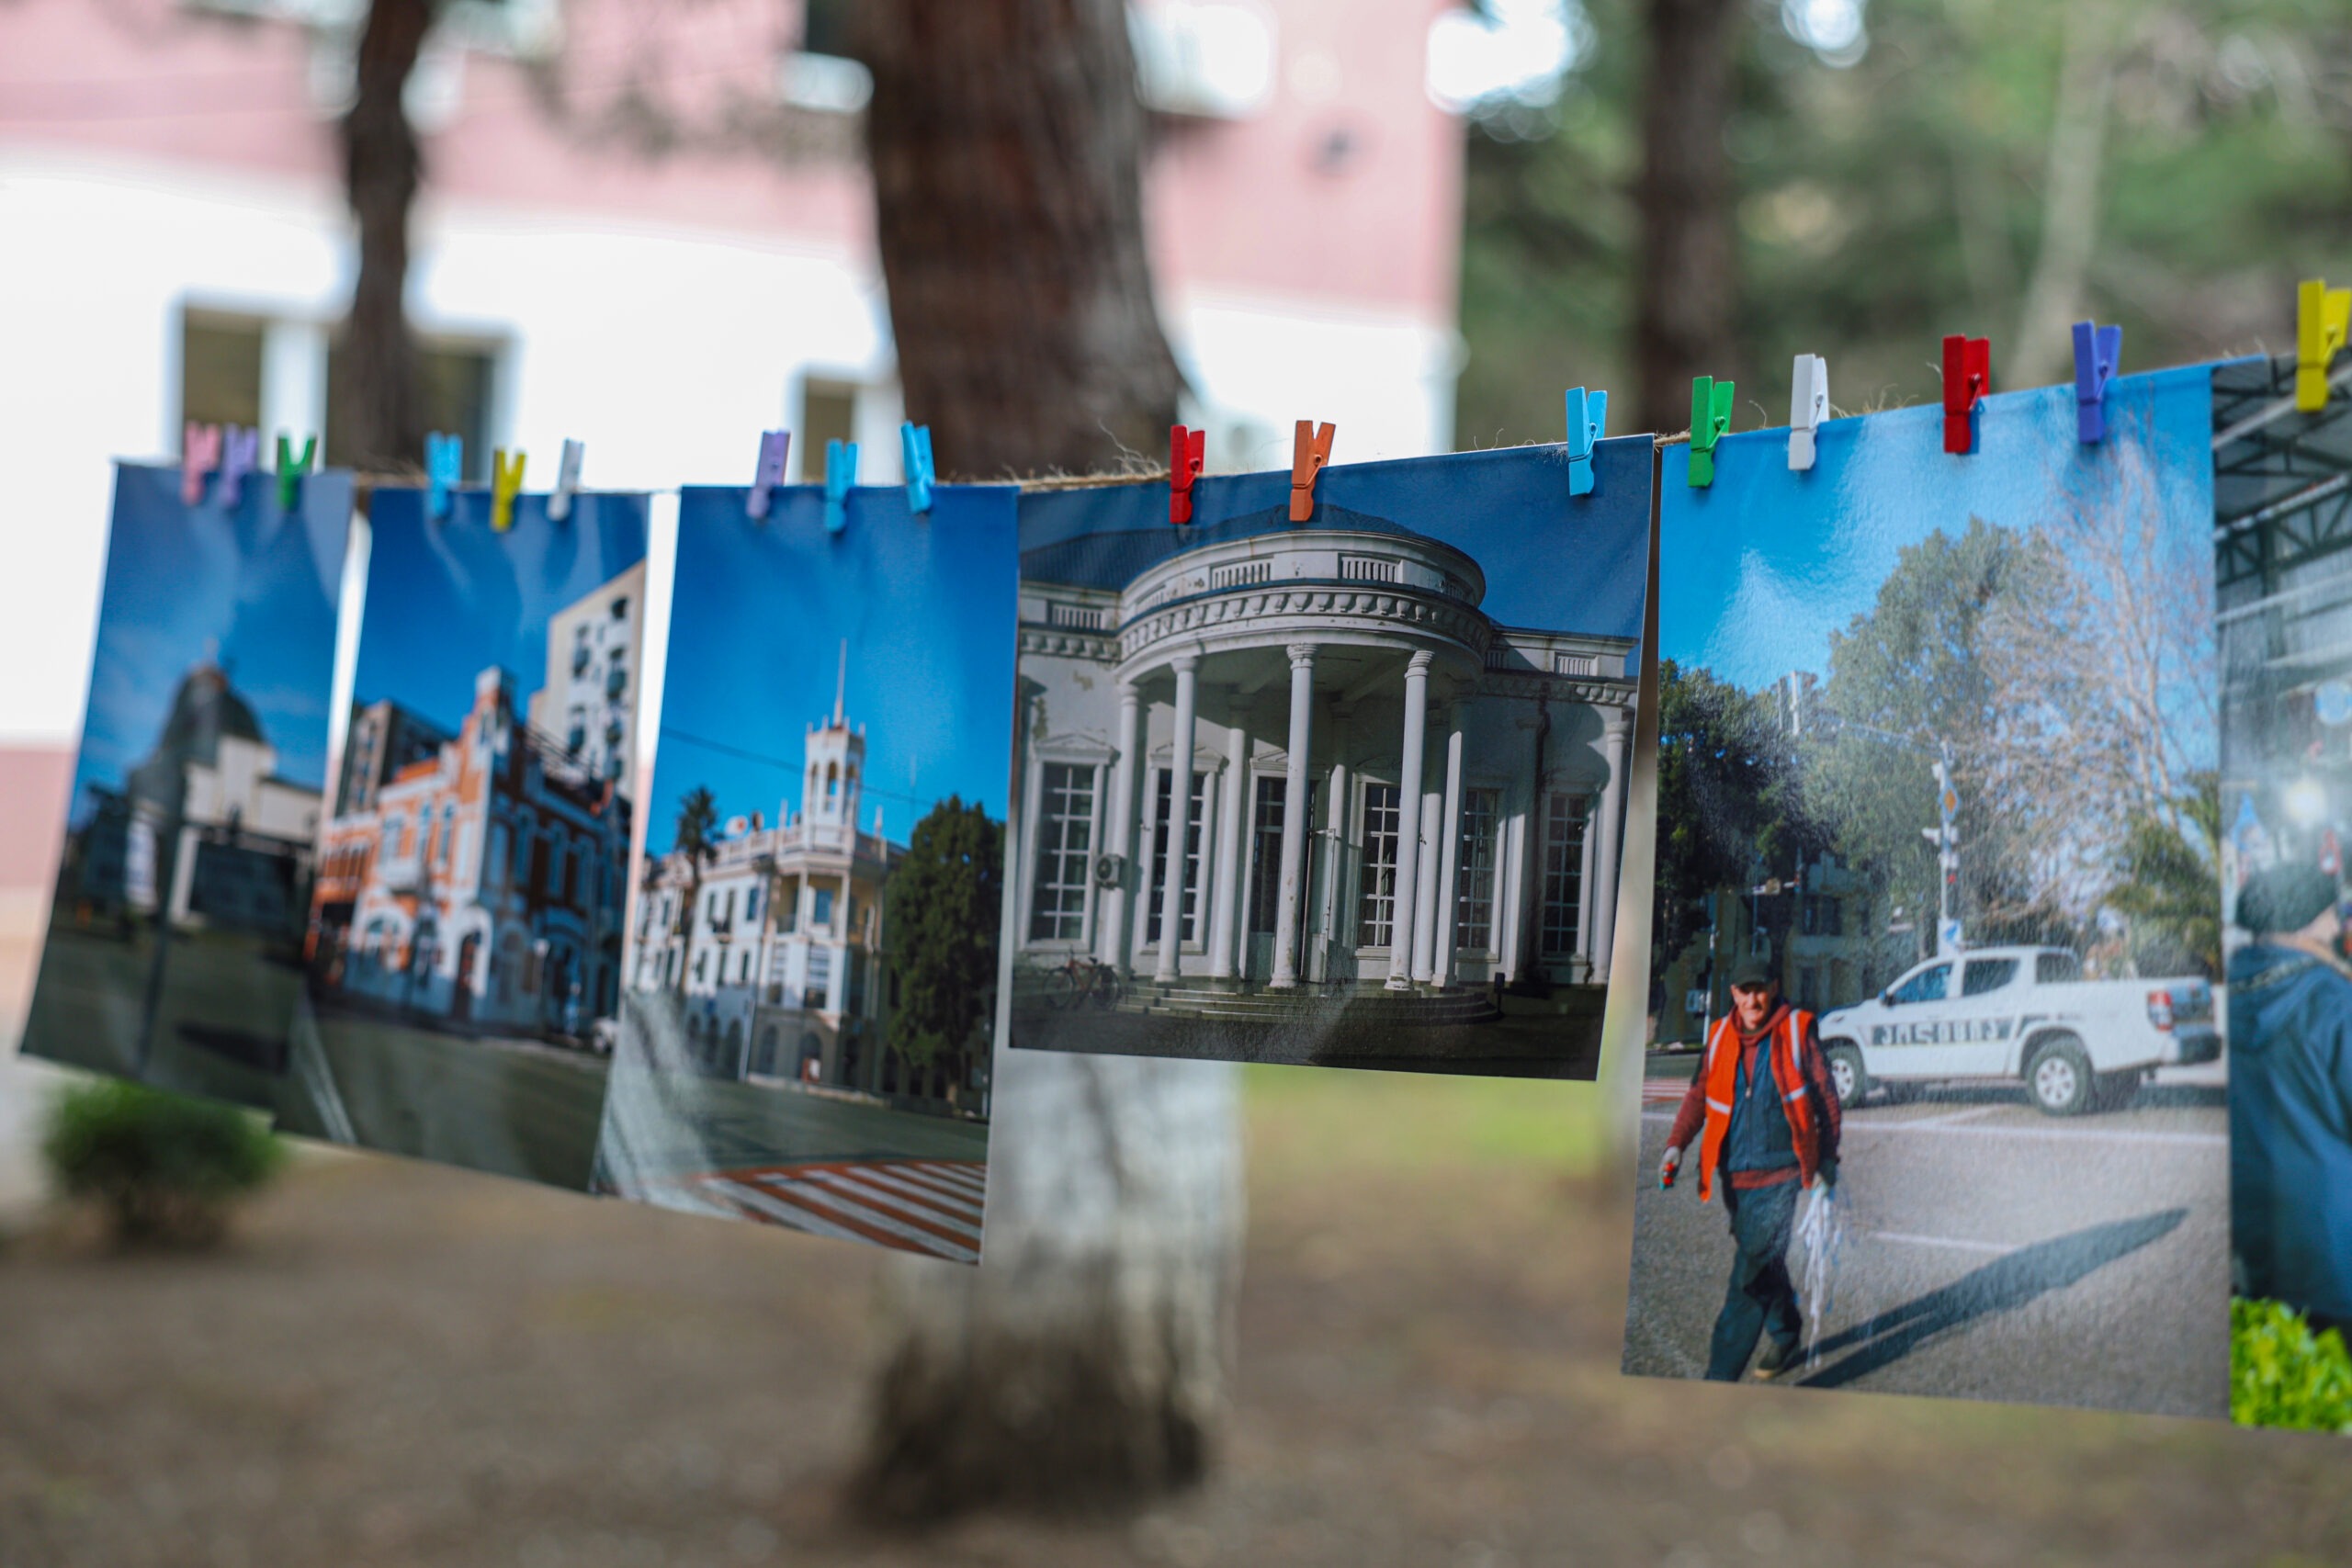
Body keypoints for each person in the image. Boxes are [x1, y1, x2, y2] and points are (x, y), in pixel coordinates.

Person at [1659, 954, 1843, 1381]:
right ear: (1734, 994)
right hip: (1733, 1178)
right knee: (1764, 1261)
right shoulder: (1721, 1034)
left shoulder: (1797, 1030)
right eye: (1745, 990)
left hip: (1781, 1175)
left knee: (1747, 1280)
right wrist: (1676, 1146)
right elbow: (1698, 1096)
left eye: (1760, 988)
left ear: (1773, 988)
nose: (1753, 998)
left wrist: (1828, 1159)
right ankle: (1785, 1332)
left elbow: (1826, 1098)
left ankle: (1716, 1381)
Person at [2229, 862, 2352, 1334]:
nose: (2339, 923)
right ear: (2311, 920)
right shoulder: (2332, 1002)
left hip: (2258, 1243)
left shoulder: (2232, 995)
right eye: (2332, 911)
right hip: (2337, 1250)